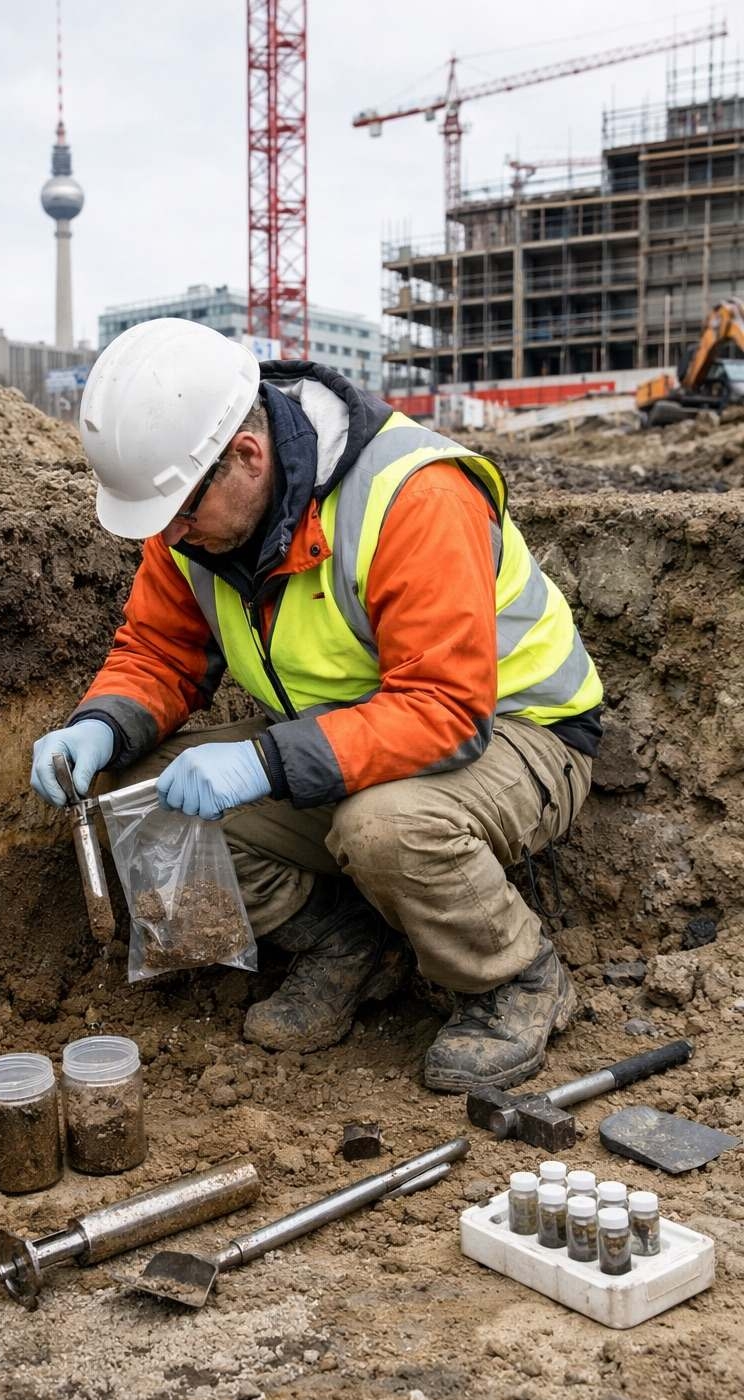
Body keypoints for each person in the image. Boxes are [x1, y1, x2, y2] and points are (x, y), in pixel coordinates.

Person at [30, 319, 603, 1093]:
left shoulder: (413, 495)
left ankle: (516, 979)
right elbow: (160, 651)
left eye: (180, 513)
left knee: (387, 828)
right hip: (343, 739)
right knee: (138, 792)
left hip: (512, 733)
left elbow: (444, 708)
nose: (168, 535)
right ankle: (349, 943)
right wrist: (97, 725)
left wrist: (265, 761)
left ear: (246, 455)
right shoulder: (196, 518)